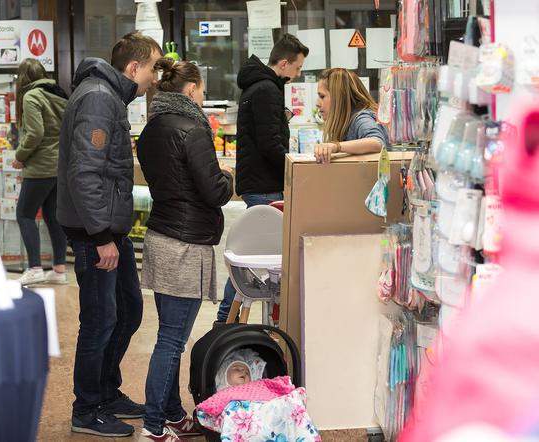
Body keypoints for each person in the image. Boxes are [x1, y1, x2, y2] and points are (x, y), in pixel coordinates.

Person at [56, 32, 162, 438]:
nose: (154, 78)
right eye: (152, 68)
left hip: (107, 227)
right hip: (93, 231)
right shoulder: (100, 98)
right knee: (100, 320)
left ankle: (106, 391)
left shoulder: (108, 95)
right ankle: (87, 409)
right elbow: (85, 173)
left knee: (128, 310)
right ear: (133, 68)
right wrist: (101, 236)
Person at [136, 58, 234, 442]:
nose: (204, 96)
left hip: (162, 237)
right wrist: (227, 175)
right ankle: (153, 425)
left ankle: (173, 413)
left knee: (169, 334)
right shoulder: (193, 130)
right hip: (185, 244)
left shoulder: (151, 130)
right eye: (203, 89)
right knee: (172, 340)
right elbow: (214, 191)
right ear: (191, 89)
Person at [216, 33, 309, 324]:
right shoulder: (268, 89)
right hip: (266, 186)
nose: (298, 73)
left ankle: (227, 321)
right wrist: (293, 170)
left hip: (257, 183)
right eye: (297, 67)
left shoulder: (255, 86)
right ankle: (227, 321)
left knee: (251, 259)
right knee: (256, 263)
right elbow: (270, 144)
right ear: (284, 63)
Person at [12, 58, 69, 286]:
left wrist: (20, 156)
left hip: (40, 167)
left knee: (24, 214)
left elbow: (35, 133)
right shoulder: (58, 94)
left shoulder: (32, 96)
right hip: (59, 166)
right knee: (53, 217)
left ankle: (34, 267)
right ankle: (59, 269)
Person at [313, 68, 389, 164]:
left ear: (339, 98)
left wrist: (336, 146)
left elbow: (377, 142)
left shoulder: (361, 118)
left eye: (322, 96)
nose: (317, 103)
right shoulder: (347, 122)